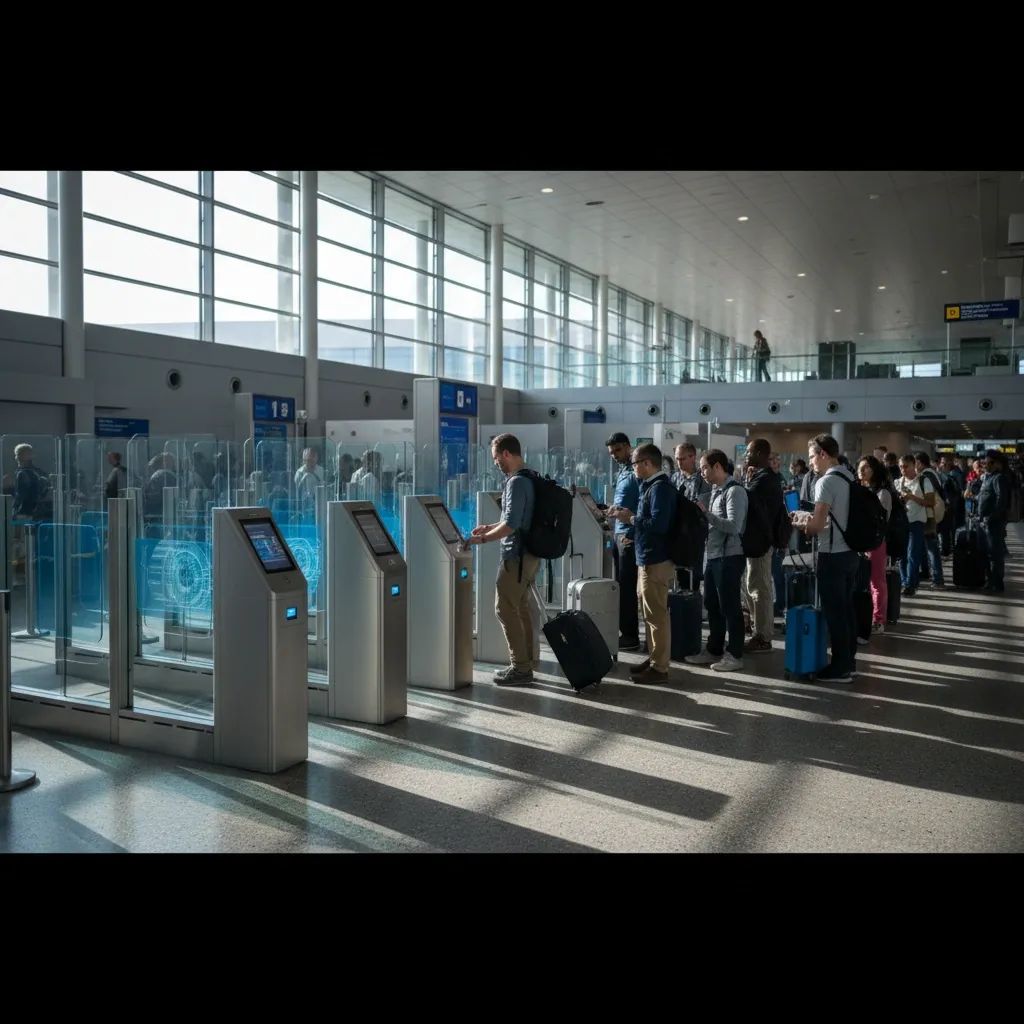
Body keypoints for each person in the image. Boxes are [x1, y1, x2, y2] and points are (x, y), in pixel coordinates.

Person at [466, 434, 538, 685]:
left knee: (504, 608)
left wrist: (484, 540)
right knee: (520, 607)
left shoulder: (516, 482)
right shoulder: (531, 476)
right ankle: (529, 661)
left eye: (497, 459)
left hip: (516, 556)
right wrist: (489, 527)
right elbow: (515, 518)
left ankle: (520, 667)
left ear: (507, 454)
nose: (496, 464)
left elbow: (511, 524)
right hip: (530, 554)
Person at [607, 443, 678, 685]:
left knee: (656, 615)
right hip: (646, 557)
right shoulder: (650, 487)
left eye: (635, 463)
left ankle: (660, 667)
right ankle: (654, 658)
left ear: (647, 463)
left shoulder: (660, 488)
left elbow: (659, 525)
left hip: (655, 560)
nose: (633, 468)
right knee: (649, 613)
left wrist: (631, 518)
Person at [790, 434, 858, 683]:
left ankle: (840, 668)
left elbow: (818, 525)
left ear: (823, 454)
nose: (810, 463)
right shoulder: (849, 476)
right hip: (851, 553)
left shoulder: (825, 482)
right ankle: (849, 661)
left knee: (835, 613)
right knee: (847, 610)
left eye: (812, 457)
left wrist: (801, 522)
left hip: (832, 555)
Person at [684, 449, 748, 672]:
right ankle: (714, 648)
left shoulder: (735, 491)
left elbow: (734, 526)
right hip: (713, 556)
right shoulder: (715, 491)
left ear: (718, 467)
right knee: (712, 604)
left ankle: (735, 654)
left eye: (704, 467)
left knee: (730, 606)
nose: (702, 472)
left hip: (729, 556)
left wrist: (706, 515)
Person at [741, 438, 784, 654]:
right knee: (753, 586)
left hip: (760, 542)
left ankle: (763, 636)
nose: (746, 455)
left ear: (759, 453)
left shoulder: (765, 480)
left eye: (749, 452)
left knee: (760, 589)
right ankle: (759, 631)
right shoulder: (762, 478)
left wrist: (746, 483)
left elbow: (748, 504)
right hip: (756, 542)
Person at [605, 432, 641, 652]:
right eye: (611, 453)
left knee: (628, 587)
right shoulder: (622, 472)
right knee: (620, 585)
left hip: (630, 534)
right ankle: (625, 631)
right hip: (618, 533)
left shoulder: (637, 472)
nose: (614, 456)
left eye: (617, 450)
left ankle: (630, 635)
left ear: (628, 447)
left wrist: (634, 531)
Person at [857, 455, 891, 633]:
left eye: (866, 468)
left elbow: (880, 521)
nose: (861, 471)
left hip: (876, 542)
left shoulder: (882, 493)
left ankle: (879, 619)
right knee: (865, 583)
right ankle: (867, 615)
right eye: (860, 468)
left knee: (877, 582)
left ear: (874, 471)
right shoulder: (859, 491)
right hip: (860, 543)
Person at [673, 442, 711, 591]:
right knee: (680, 572)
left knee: (694, 573)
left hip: (695, 531)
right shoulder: (675, 477)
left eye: (682, 459)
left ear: (692, 457)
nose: (679, 463)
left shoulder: (702, 480)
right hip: (677, 531)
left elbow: (701, 507)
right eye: (677, 459)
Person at [977, 450, 1010, 592]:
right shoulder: (987, 478)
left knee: (994, 554)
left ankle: (996, 583)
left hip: (993, 523)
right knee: (986, 552)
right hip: (984, 521)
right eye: (984, 463)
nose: (986, 465)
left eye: (989, 463)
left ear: (997, 463)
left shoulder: (999, 478)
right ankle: (990, 580)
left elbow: (1001, 501)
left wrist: (991, 517)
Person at [913, 452, 946, 589]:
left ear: (919, 463)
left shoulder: (926, 477)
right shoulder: (933, 474)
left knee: (932, 547)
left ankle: (938, 579)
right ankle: (927, 573)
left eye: (915, 464)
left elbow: (928, 498)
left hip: (929, 516)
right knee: (929, 546)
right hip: (931, 515)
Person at [12, 443, 52, 521]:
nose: (17, 457)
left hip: (26, 511)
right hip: (32, 510)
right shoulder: (37, 472)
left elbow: (21, 495)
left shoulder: (25, 473)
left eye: (20, 454)